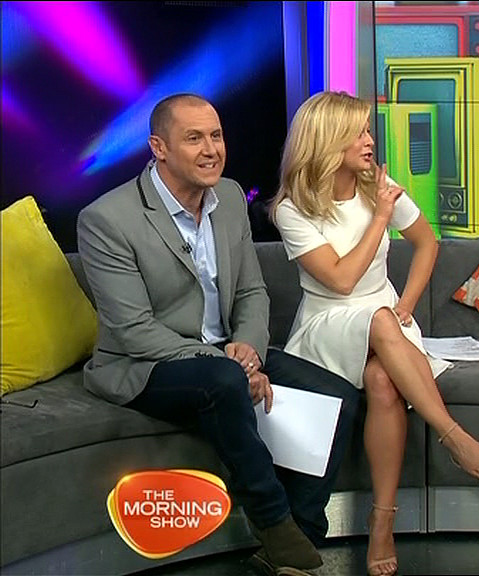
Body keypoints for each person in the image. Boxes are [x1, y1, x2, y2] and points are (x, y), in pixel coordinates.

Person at [77, 93, 362, 576]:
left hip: (227, 352)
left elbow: (251, 291)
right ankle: (273, 521)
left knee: (338, 396)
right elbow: (133, 331)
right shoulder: (107, 219)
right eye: (194, 138)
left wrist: (248, 349)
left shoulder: (229, 197)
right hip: (145, 364)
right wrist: (231, 365)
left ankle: (300, 539)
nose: (211, 149)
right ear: (159, 148)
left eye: (216, 136)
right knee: (223, 382)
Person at [269, 90, 479, 576]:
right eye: (357, 133)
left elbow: (426, 242)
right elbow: (340, 280)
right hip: (327, 323)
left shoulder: (377, 186)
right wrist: (380, 216)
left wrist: (407, 304)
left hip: (386, 321)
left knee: (382, 380)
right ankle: (453, 437)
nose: (369, 141)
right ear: (327, 139)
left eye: (367, 131)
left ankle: (382, 522)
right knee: (378, 319)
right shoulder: (292, 208)